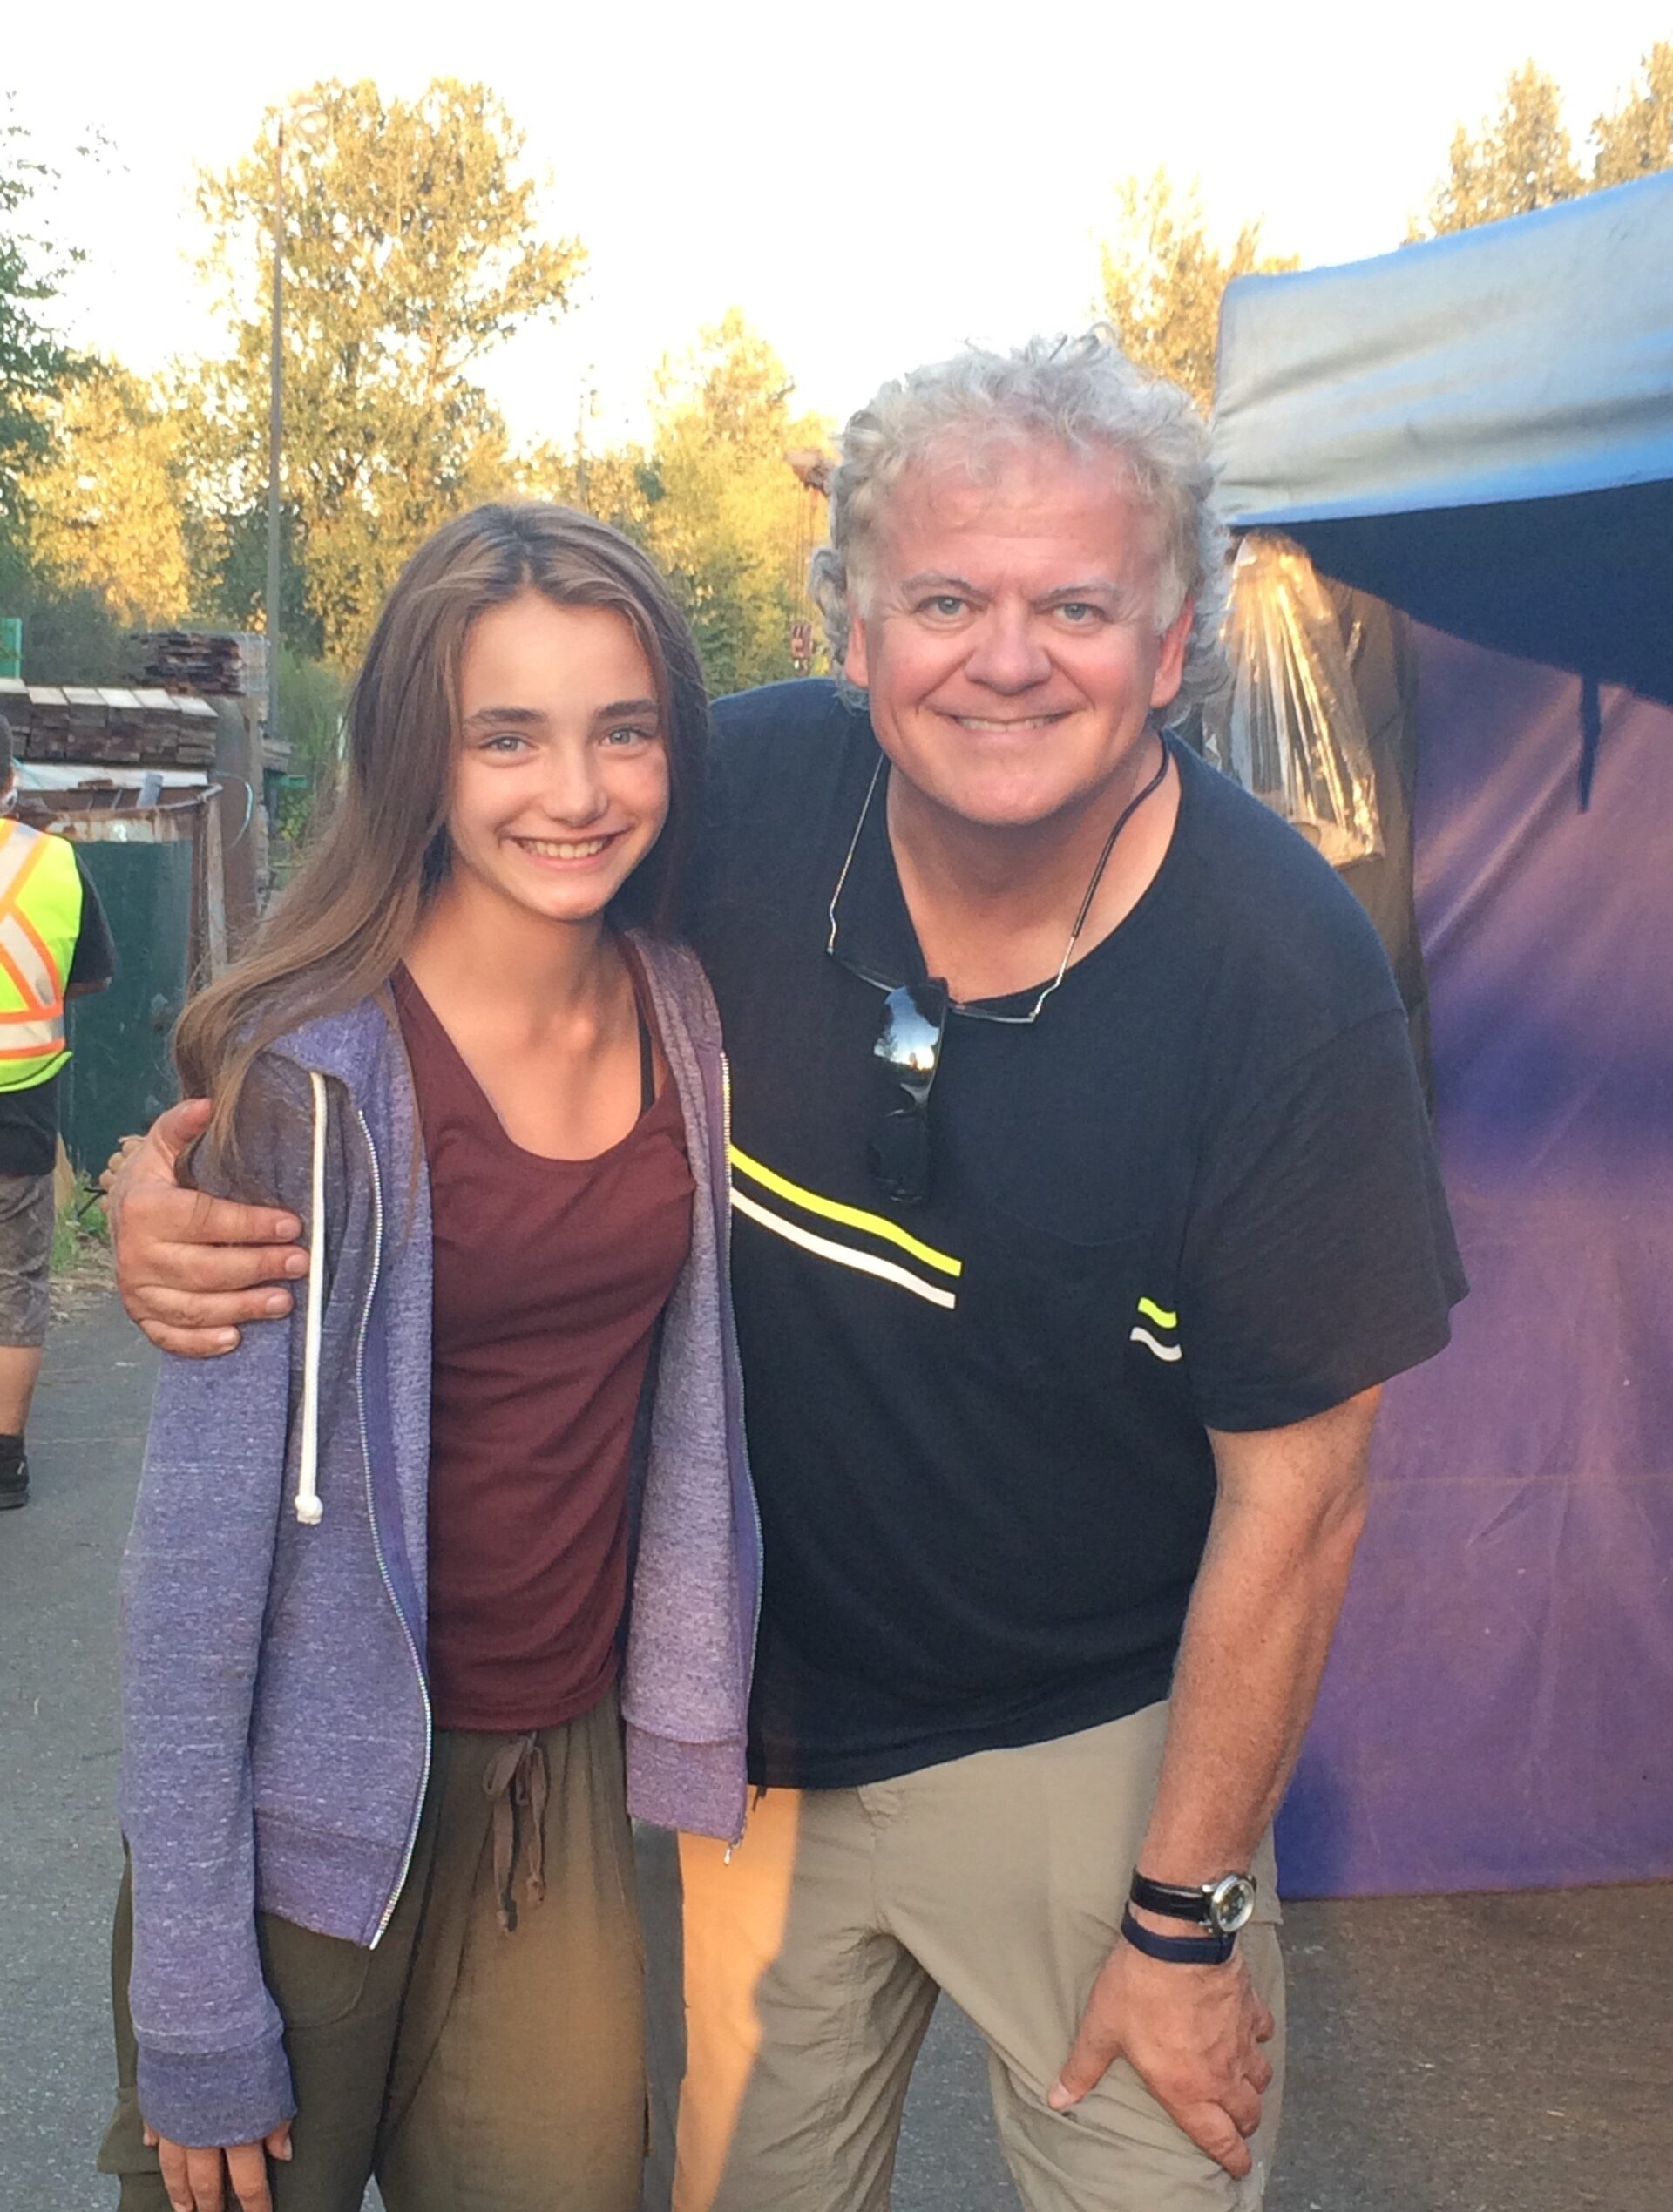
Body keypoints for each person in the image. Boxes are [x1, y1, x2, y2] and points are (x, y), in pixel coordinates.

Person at [108, 335, 1465, 2212]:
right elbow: (401, 945)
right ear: (850, 629)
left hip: (1083, 1749)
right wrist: (172, 1176)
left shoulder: (1282, 979)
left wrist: (1186, 1908)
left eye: (1078, 605)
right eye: (947, 599)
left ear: (1172, 648)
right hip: (736, 1750)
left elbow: (1302, 1497)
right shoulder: (716, 802)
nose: (1007, 658)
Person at [97, 503, 758, 2212]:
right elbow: (187, 1590)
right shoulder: (305, 1078)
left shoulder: (688, 1015)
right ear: (422, 756)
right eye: (507, 735)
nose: (576, 789)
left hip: (557, 1791)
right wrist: (193, 1990)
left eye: (623, 729)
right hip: (309, 1825)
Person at [0, 725, 116, 1511]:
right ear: (10, 778)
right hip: (19, 1109)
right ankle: (4, 1464)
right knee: (14, 1280)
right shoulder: (55, 863)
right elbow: (90, 978)